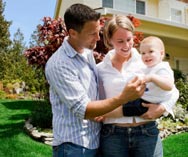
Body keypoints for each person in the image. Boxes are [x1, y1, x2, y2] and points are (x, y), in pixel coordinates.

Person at [45, 4, 146, 157]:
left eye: (98, 32)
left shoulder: (86, 52)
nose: (98, 38)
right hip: (73, 146)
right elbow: (84, 109)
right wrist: (124, 97)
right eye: (92, 34)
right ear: (73, 33)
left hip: (94, 141)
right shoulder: (59, 64)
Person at [97, 15, 179, 157]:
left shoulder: (146, 60)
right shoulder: (100, 69)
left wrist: (162, 108)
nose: (126, 45)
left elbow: (174, 91)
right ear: (109, 41)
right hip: (113, 135)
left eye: (129, 39)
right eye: (120, 41)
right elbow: (97, 101)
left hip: (146, 132)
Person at [122, 36, 177, 117]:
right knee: (127, 103)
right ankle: (105, 113)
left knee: (128, 107)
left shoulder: (162, 68)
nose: (146, 55)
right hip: (147, 99)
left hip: (154, 102)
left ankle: (105, 114)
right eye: (143, 53)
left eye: (151, 51)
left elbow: (169, 86)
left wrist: (152, 77)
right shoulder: (146, 68)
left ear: (161, 54)